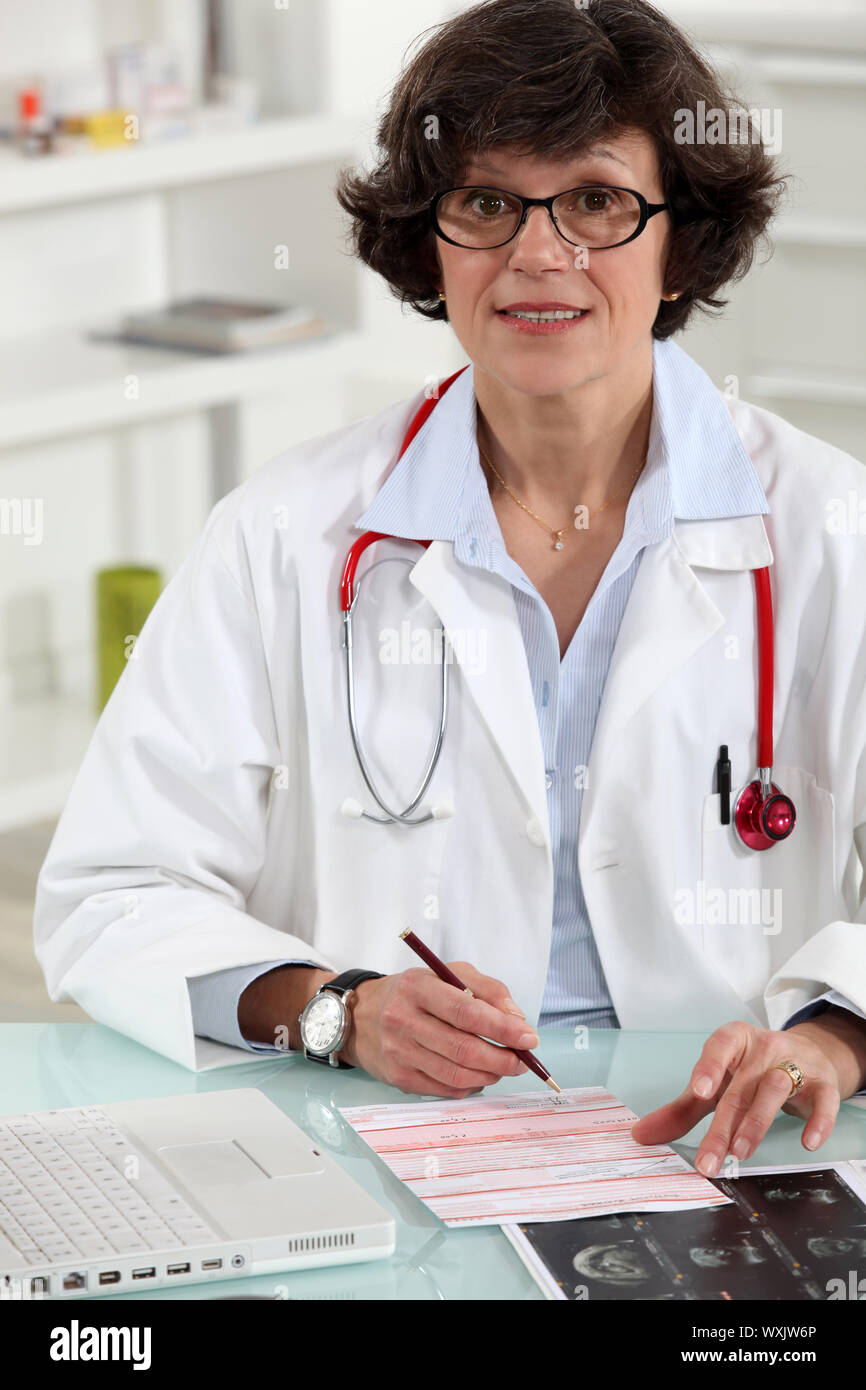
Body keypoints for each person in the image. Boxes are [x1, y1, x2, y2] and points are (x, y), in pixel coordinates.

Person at [34, 0, 866, 1185]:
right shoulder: (284, 533)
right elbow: (111, 890)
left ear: (679, 240)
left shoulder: (830, 528)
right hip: (380, 1146)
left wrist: (828, 1037)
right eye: (483, 202)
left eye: (593, 201)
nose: (537, 254)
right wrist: (338, 1010)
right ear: (427, 241)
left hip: (731, 1152)